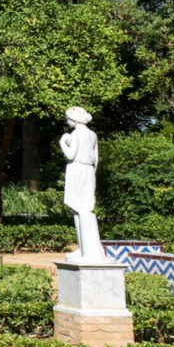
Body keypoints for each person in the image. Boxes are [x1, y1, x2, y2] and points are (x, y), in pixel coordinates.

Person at [60, 107, 103, 261]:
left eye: (68, 118)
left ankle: (88, 251)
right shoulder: (92, 135)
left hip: (77, 169)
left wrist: (63, 142)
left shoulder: (76, 134)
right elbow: (96, 158)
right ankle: (84, 248)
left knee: (80, 209)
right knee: (81, 209)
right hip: (89, 171)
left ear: (74, 119)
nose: (67, 121)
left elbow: (71, 155)